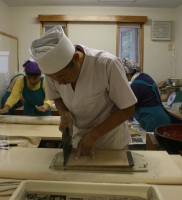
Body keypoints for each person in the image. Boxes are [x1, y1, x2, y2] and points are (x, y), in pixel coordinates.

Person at [29, 25, 137, 159]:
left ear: (76, 58)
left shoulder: (106, 64)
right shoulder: (55, 74)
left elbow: (128, 109)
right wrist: (64, 114)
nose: (59, 82)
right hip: (78, 136)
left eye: (62, 76)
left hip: (109, 139)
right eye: (52, 78)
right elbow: (56, 97)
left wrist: (93, 134)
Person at [122, 58, 171, 132]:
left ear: (128, 73)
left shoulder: (136, 85)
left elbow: (128, 108)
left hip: (153, 120)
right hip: (160, 117)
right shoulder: (144, 76)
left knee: (153, 142)